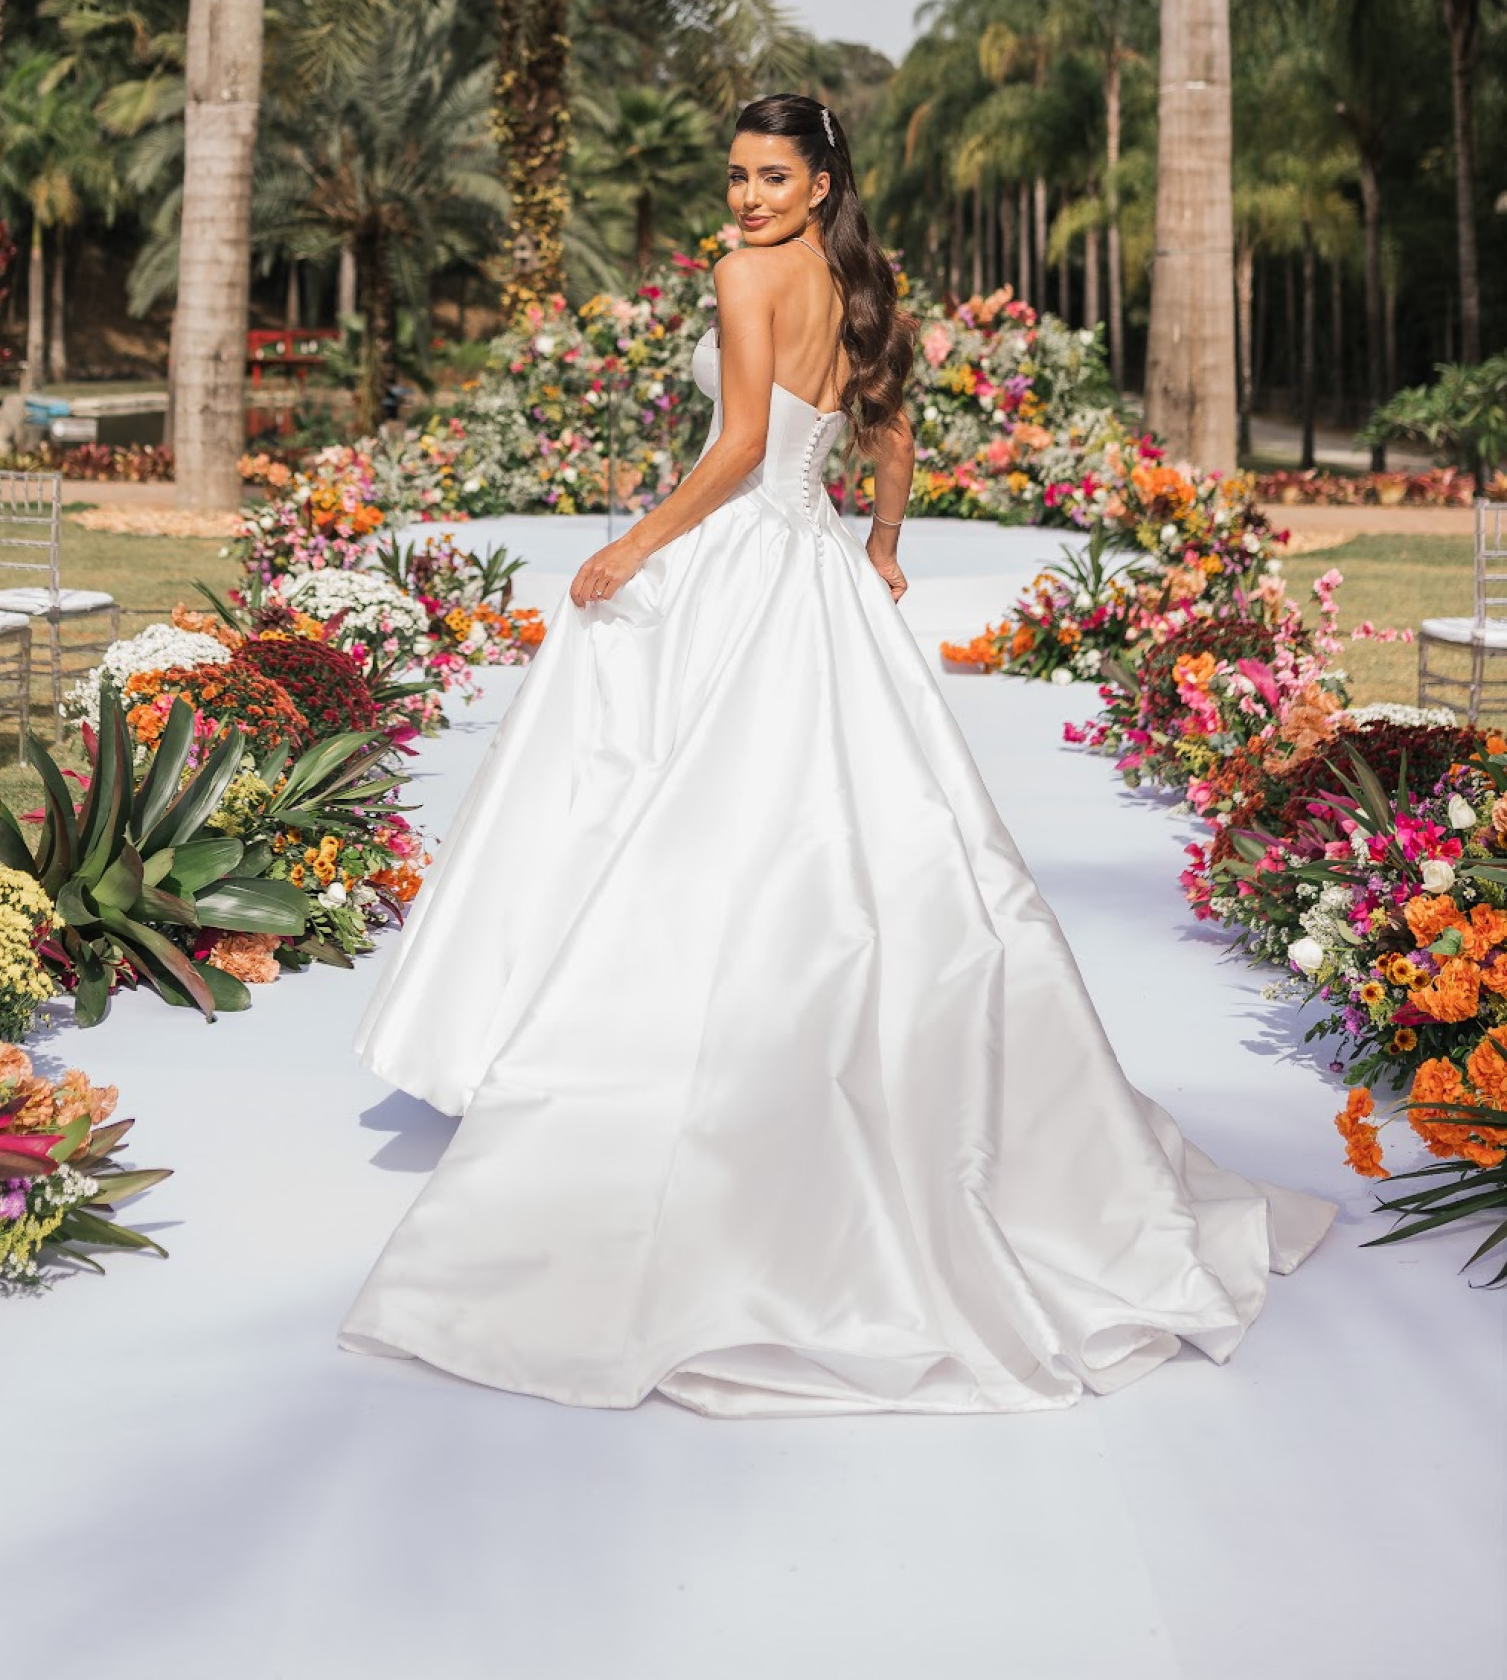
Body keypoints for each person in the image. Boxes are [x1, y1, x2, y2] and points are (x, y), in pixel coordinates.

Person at [341, 93, 1332, 1415]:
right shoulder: (853, 283)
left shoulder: (749, 274)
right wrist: (877, 543)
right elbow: (891, 437)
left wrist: (639, 542)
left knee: (679, 798)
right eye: (737, 176)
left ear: (818, 184)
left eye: (770, 177)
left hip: (749, 553)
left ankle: (629, 1058)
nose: (747, 198)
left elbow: (745, 447)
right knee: (826, 821)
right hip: (815, 565)